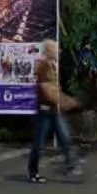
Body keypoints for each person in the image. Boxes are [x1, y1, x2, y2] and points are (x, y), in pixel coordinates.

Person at [26, 40, 79, 183]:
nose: (59, 51)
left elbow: (54, 88)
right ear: (49, 51)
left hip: (54, 109)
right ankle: (33, 172)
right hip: (45, 110)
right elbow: (46, 89)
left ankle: (72, 167)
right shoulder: (43, 66)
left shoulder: (53, 65)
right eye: (56, 49)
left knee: (65, 138)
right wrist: (64, 101)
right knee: (39, 143)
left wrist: (62, 100)